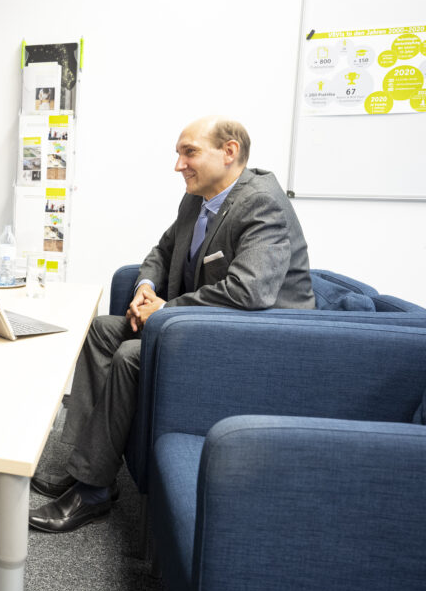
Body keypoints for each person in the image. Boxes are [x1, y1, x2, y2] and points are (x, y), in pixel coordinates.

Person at [28, 115, 316, 533]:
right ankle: (82, 464)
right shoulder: (197, 199)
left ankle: (93, 490)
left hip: (260, 346)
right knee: (105, 331)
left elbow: (250, 292)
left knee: (130, 355)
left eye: (189, 152)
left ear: (229, 152)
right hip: (208, 327)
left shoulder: (262, 203)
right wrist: (146, 286)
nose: (178, 164)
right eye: (179, 154)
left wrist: (164, 309)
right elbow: (162, 252)